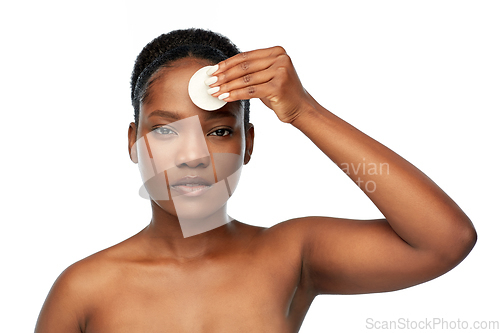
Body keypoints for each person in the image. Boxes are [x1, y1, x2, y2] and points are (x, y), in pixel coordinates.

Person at [35, 28, 477, 333]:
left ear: (248, 143)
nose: (193, 156)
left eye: (219, 131)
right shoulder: (83, 288)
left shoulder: (291, 255)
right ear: (134, 141)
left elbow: (445, 239)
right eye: (166, 130)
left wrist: (305, 111)